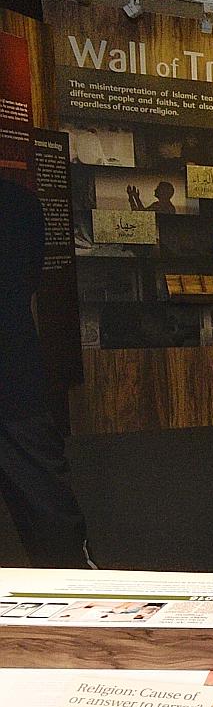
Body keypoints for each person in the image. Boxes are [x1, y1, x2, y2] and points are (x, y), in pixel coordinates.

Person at [0, 178, 93, 571]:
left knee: (45, 501)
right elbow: (25, 283)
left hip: (12, 373)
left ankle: (79, 589)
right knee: (45, 500)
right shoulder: (19, 203)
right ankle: (80, 592)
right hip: (13, 367)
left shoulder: (16, 203)